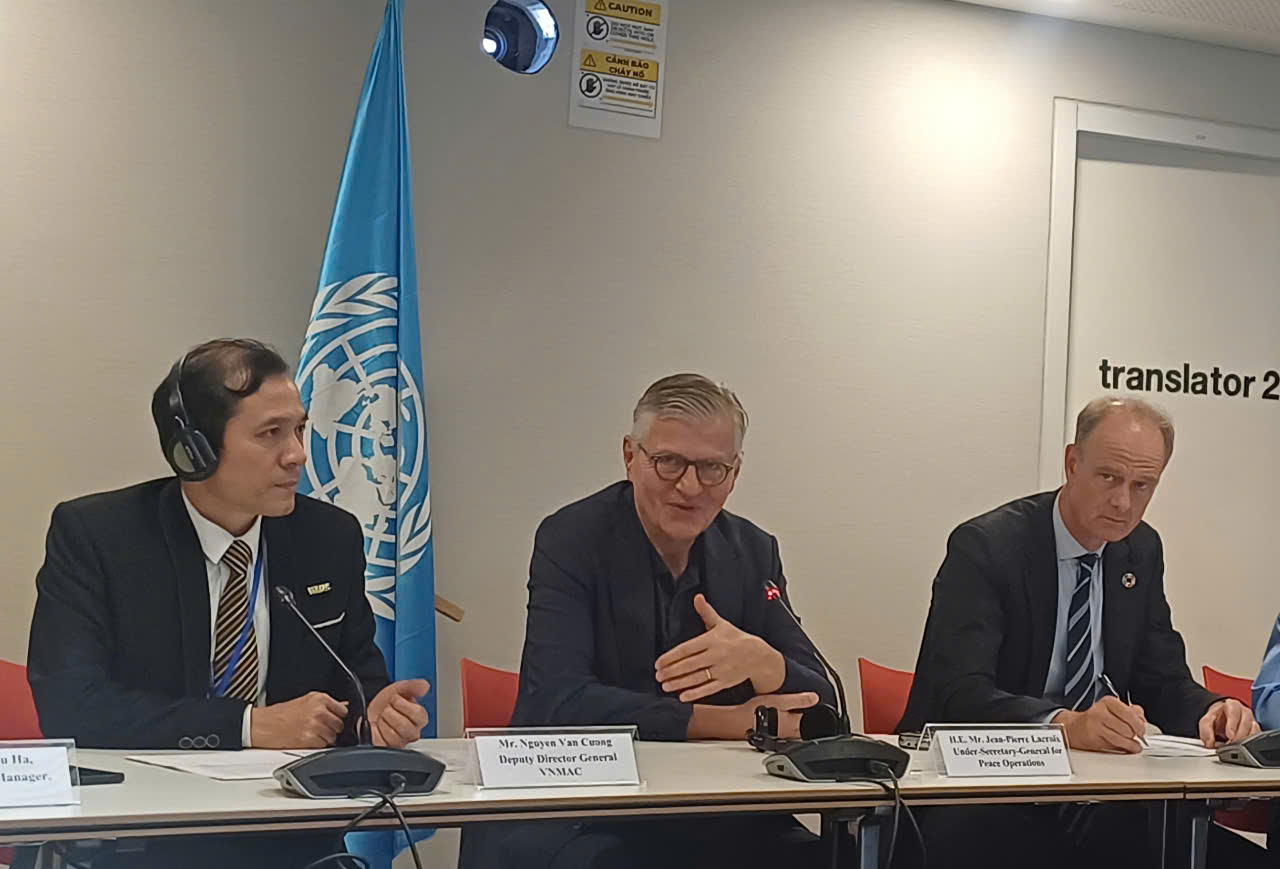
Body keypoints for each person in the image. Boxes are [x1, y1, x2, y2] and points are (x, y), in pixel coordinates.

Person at [27, 339, 430, 868]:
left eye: (299, 429)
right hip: (141, 841)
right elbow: (71, 705)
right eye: (270, 434)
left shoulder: (327, 537)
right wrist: (245, 725)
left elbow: (355, 677)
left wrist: (373, 718)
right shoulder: (100, 537)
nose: (298, 455)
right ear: (194, 450)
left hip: (293, 840)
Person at [460, 373, 836, 869]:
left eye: (712, 468)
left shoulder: (752, 552)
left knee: (824, 857)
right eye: (669, 462)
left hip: (707, 807)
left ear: (735, 472)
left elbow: (825, 705)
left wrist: (764, 662)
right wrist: (727, 722)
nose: (690, 486)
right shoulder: (571, 539)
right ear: (630, 456)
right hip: (577, 805)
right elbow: (559, 700)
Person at [897, 396, 1263, 868]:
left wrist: (1212, 710)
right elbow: (958, 692)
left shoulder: (1140, 550)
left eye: (1142, 485)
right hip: (984, 794)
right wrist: (1065, 726)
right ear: (1072, 462)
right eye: (1109, 477)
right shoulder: (988, 547)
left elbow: (1161, 678)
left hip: (1096, 794)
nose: (1123, 502)